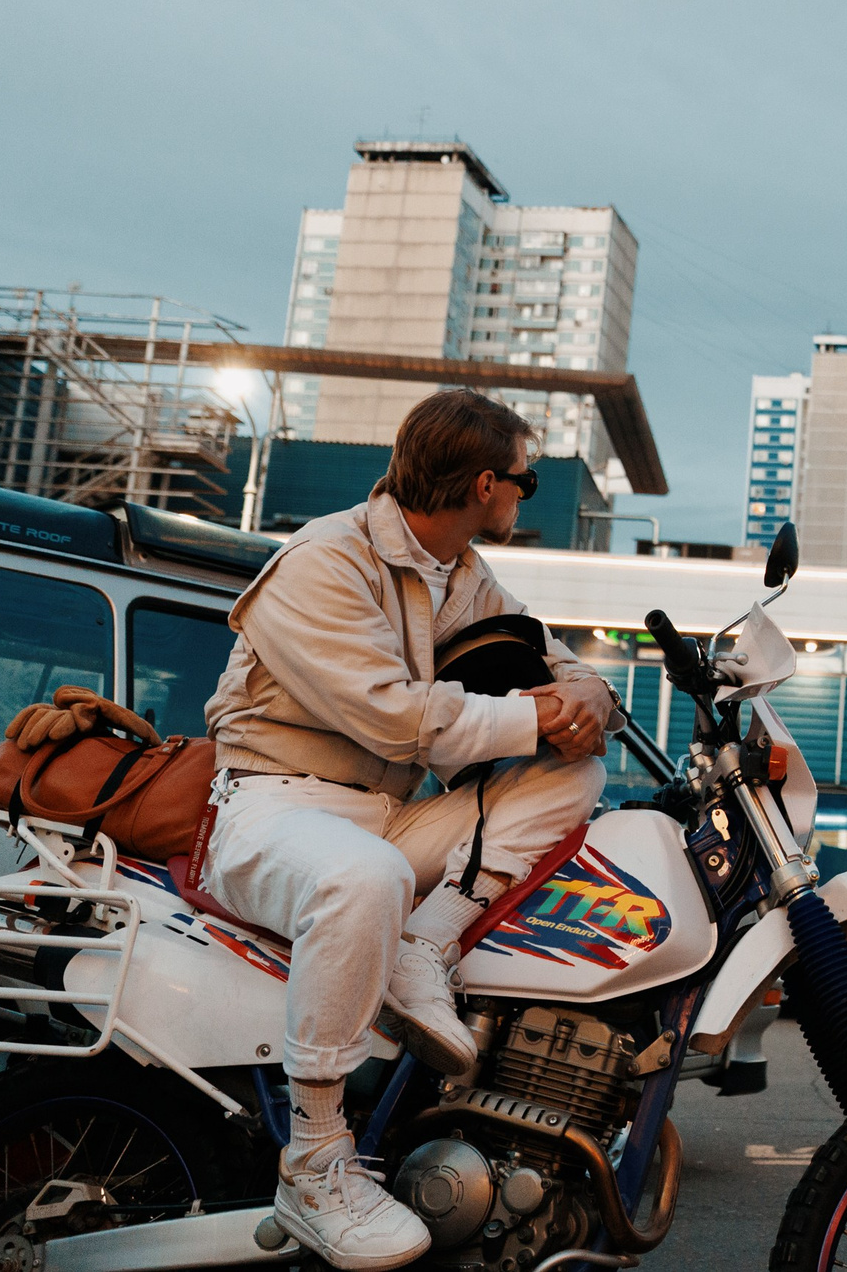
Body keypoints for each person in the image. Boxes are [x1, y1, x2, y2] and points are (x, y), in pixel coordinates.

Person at [201, 389, 617, 1271]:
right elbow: (396, 720)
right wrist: (542, 716)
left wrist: (587, 700)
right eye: (525, 479)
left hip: (387, 817)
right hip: (276, 807)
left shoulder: (459, 572)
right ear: (481, 482)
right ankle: (314, 1160)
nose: (524, 493)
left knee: (576, 773)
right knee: (366, 877)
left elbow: (553, 659)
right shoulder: (326, 559)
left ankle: (423, 949)